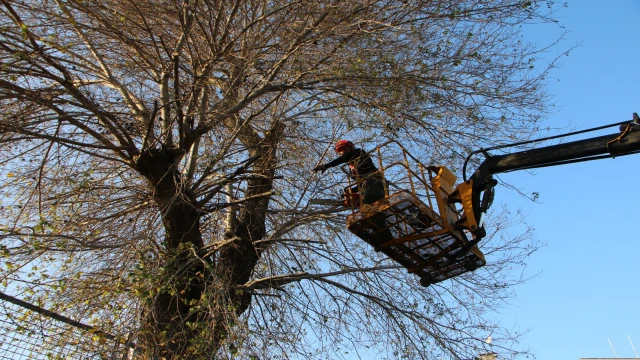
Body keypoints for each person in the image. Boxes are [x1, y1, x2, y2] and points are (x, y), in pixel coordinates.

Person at [312, 140, 386, 206]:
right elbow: (362, 184)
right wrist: (351, 191)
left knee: (369, 207)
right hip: (369, 187)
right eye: (340, 151)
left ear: (351, 147)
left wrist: (326, 166)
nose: (342, 152)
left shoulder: (359, 152)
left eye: (344, 148)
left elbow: (346, 156)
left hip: (377, 182)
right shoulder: (352, 169)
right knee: (369, 211)